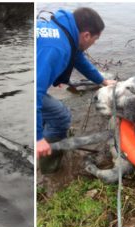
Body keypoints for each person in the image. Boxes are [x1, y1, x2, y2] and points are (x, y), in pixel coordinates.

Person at [36, 7, 116, 167]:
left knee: (51, 111)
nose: (94, 44)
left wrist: (102, 80)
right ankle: (49, 165)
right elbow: (35, 93)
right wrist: (39, 139)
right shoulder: (56, 48)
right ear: (86, 35)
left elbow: (79, 59)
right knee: (61, 116)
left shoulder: (63, 31)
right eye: (95, 40)